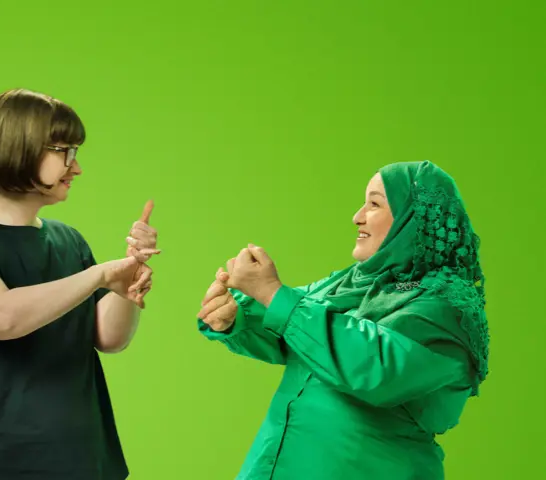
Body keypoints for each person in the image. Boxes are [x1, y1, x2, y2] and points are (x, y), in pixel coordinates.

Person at [198, 160, 489, 479]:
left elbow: (375, 368)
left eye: (374, 203)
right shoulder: (352, 283)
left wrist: (271, 293)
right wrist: (237, 316)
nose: (357, 216)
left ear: (413, 218)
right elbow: (296, 334)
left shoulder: (445, 305)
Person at [0, 88, 159, 480]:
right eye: (64, 151)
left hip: (84, 458)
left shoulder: (69, 241)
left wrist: (125, 284)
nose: (76, 167)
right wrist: (99, 275)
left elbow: (109, 338)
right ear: (18, 147)